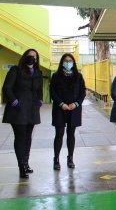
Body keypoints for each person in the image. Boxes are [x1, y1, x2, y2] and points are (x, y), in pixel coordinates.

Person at [2, 49, 43, 178]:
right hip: (18, 111)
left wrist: (40, 101)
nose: (32, 58)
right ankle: (21, 166)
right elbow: (7, 88)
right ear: (25, 57)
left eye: (35, 57)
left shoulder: (38, 73)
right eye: (30, 56)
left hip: (31, 110)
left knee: (28, 137)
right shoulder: (15, 70)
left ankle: (26, 163)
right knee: (20, 138)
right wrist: (14, 101)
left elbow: (39, 89)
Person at [50, 53, 86, 170]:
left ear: (73, 62)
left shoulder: (78, 76)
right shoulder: (56, 76)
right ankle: (56, 159)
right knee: (59, 134)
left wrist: (75, 104)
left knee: (71, 134)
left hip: (73, 109)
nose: (68, 62)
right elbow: (52, 92)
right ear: (62, 62)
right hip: (60, 109)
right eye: (65, 61)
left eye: (70, 60)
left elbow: (82, 92)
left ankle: (70, 158)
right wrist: (62, 104)